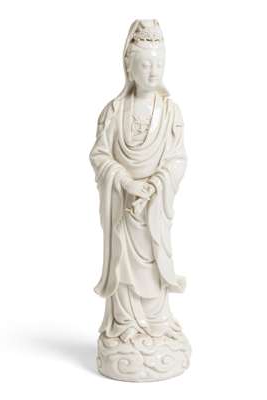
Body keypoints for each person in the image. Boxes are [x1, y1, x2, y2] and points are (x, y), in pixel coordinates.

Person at [90, 19, 187, 343]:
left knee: (154, 261)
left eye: (159, 64)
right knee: (124, 265)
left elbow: (177, 159)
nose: (152, 72)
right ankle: (125, 323)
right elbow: (100, 155)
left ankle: (157, 322)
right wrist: (125, 182)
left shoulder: (171, 112)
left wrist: (157, 184)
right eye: (145, 64)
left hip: (153, 208)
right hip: (124, 205)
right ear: (129, 68)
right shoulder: (114, 111)